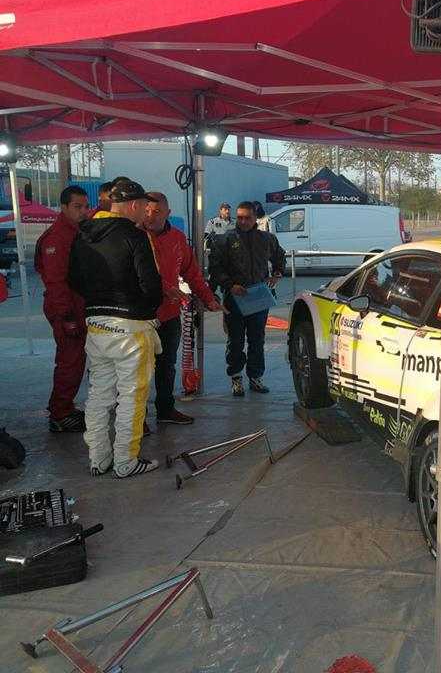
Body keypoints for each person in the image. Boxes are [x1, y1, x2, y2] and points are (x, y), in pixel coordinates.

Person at [68, 179, 163, 478]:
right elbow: (151, 286)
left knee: (99, 395)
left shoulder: (83, 233)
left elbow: (73, 279)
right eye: (144, 207)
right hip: (131, 327)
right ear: (133, 205)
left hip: (96, 324)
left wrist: (98, 300)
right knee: (132, 396)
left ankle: (98, 459)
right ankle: (125, 461)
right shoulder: (135, 236)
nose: (145, 213)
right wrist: (144, 308)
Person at [143, 192, 222, 426]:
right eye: (147, 211)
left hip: (168, 314)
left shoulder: (177, 239)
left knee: (167, 365)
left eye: (156, 212)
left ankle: (165, 409)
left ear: (167, 213)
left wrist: (209, 299)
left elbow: (192, 273)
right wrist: (163, 288)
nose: (150, 216)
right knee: (136, 369)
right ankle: (136, 419)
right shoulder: (134, 236)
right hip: (140, 316)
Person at [208, 201, 285, 397]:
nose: (243, 221)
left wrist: (277, 274)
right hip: (234, 298)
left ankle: (256, 377)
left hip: (258, 298)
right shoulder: (226, 239)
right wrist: (229, 285)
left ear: (255, 218)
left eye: (247, 218)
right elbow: (216, 268)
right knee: (235, 341)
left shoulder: (266, 239)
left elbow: (280, 257)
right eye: (240, 217)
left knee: (257, 340)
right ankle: (235, 377)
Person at [35, 185, 90, 433]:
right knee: (70, 360)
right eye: (77, 207)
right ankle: (60, 413)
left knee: (76, 359)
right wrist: (67, 316)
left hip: (76, 305)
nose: (83, 211)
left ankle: (64, 407)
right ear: (64, 207)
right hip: (66, 307)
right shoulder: (57, 238)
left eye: (85, 206)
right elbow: (55, 282)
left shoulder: (76, 232)